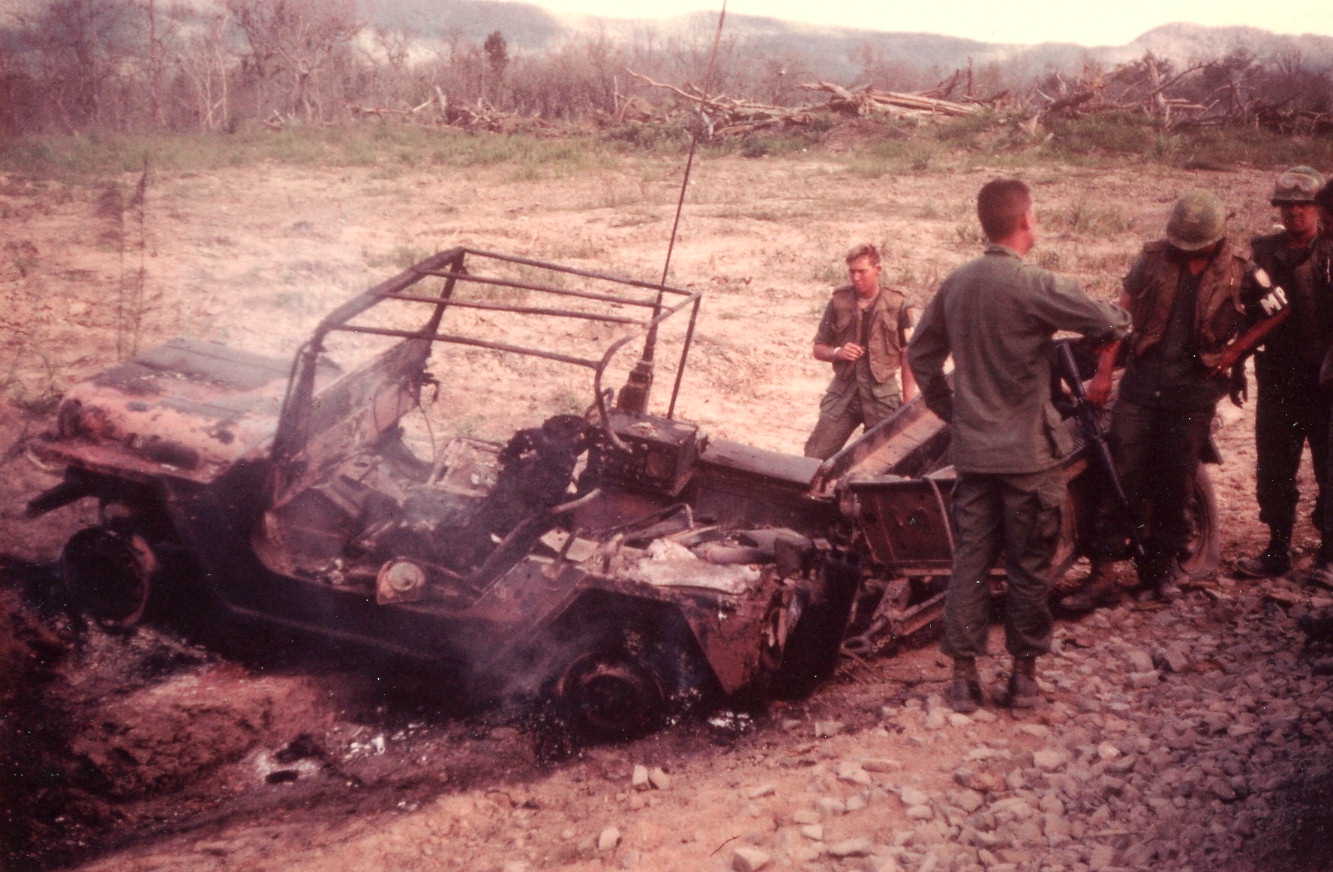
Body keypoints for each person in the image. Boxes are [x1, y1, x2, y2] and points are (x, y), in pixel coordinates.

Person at [907, 178, 1130, 713]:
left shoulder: (957, 283)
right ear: (1026, 220)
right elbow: (1112, 319)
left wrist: (954, 414)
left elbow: (920, 357)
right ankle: (1023, 678)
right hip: (1029, 455)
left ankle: (962, 678)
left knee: (971, 562)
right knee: (1031, 563)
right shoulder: (1032, 283)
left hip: (975, 453)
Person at [1064, 192, 1287, 613]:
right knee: (1119, 474)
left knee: (1177, 478)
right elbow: (1119, 316)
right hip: (1143, 384)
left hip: (1194, 390)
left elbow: (1278, 309)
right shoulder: (1151, 260)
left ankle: (1163, 569)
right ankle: (1104, 572)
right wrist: (1103, 372)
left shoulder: (1242, 271)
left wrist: (1236, 352)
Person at [1235, 166, 1328, 579]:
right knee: (1275, 464)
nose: (1294, 213)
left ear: (1318, 208)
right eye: (1286, 206)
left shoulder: (1329, 250)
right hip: (1278, 376)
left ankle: (1329, 553)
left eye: (1303, 205)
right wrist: (1236, 364)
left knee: (1330, 463)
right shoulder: (1263, 253)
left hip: (1327, 379)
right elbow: (1245, 314)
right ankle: (1276, 547)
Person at [803, 243, 917, 460]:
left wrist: (908, 397)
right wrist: (838, 352)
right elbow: (818, 349)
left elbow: (908, 353)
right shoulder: (838, 302)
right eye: (852, 272)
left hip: (882, 395)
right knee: (814, 456)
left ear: (877, 270)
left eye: (862, 271)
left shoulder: (898, 304)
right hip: (843, 393)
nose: (856, 278)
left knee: (882, 461)